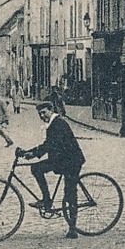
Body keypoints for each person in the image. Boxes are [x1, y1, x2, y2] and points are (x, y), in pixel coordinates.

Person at [19, 102, 85, 239]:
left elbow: (52, 144)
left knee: (70, 193)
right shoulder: (52, 124)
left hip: (72, 161)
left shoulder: (59, 123)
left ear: (51, 110)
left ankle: (73, 229)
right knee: (36, 168)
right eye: (40, 114)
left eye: (44, 112)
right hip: (61, 159)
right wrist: (30, 152)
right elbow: (48, 144)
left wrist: (34, 153)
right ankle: (46, 200)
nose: (42, 116)